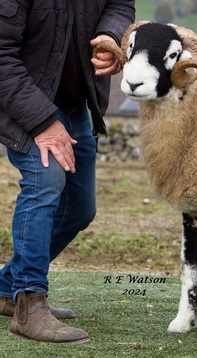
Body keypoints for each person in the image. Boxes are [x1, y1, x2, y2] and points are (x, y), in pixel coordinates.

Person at [0, 1, 135, 343]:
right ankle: (29, 305)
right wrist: (44, 123)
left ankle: (5, 289)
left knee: (79, 209)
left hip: (76, 102)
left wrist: (109, 35)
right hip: (25, 102)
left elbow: (120, 4)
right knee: (44, 184)